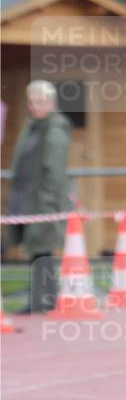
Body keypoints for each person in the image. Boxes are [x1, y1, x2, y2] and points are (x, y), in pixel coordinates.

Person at [7, 80, 72, 313]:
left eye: (40, 101)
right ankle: (40, 299)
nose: (35, 106)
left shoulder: (54, 130)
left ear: (51, 102)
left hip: (43, 202)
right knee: (36, 251)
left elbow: (53, 172)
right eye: (32, 101)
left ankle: (44, 299)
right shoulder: (33, 126)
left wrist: (47, 204)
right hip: (27, 199)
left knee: (42, 250)